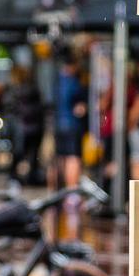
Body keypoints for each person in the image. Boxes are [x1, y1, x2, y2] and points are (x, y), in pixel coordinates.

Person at [54, 49, 89, 189]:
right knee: (73, 158)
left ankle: (60, 191)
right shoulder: (73, 82)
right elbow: (78, 106)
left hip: (59, 123)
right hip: (72, 124)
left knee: (60, 158)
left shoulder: (56, 79)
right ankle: (71, 190)